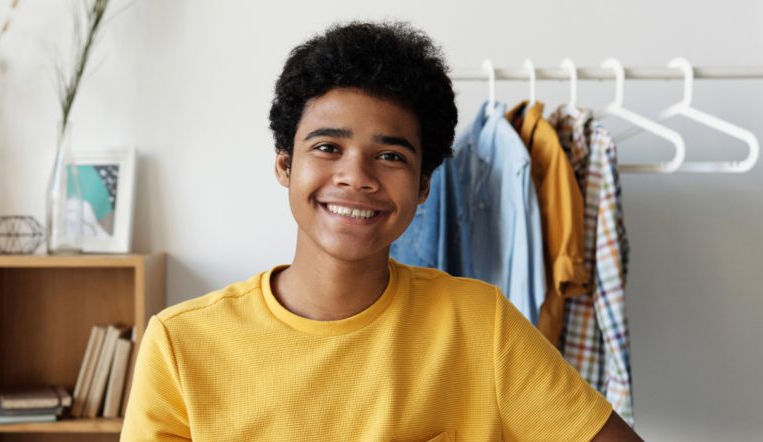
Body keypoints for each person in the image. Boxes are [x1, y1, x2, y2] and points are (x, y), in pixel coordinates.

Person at [121, 21, 643, 441]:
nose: (357, 177)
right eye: (328, 147)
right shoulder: (180, 344)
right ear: (284, 165)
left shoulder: (482, 327)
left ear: (422, 187)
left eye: (390, 155)